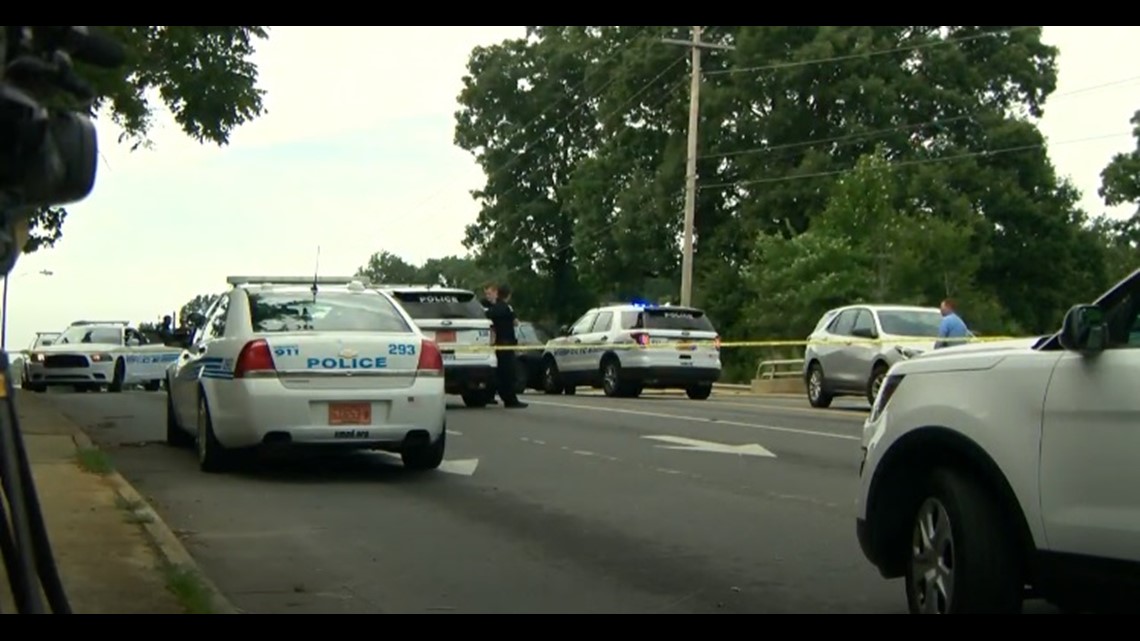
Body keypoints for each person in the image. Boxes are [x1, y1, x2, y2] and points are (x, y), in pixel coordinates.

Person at [485, 283, 527, 409]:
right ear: (508, 295)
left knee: (499, 372)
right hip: (507, 343)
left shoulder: (492, 309)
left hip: (496, 344)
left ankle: (492, 395)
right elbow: (516, 323)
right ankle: (510, 400)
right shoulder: (507, 308)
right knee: (509, 373)